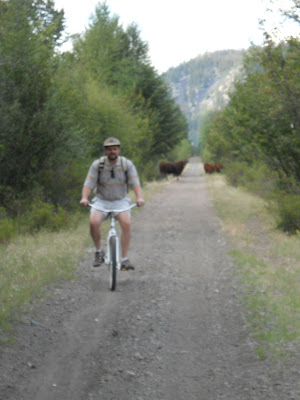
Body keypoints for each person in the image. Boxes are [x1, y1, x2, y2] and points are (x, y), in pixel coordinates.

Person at [80, 137, 145, 270]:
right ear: (105, 151)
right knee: (93, 222)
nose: (112, 152)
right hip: (101, 201)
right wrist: (84, 198)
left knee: (126, 223)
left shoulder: (127, 164)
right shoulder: (97, 165)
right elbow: (89, 183)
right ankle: (98, 251)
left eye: (115, 149)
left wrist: (140, 198)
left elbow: (135, 183)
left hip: (120, 201)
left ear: (119, 150)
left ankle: (125, 259)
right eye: (109, 149)